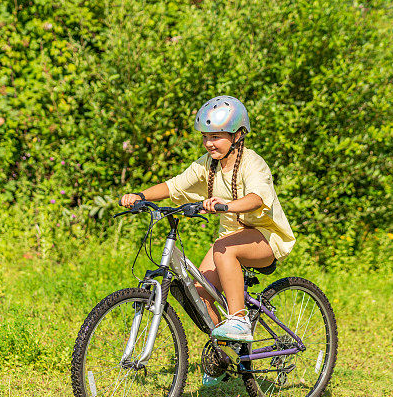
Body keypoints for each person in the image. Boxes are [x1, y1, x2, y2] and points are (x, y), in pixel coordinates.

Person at [120, 95, 295, 344]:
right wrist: (140, 195)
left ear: (237, 136)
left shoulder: (252, 163)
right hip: (230, 240)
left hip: (266, 238)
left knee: (223, 249)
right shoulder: (207, 166)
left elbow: (256, 198)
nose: (209, 143)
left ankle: (239, 319)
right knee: (199, 295)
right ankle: (224, 355)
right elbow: (173, 187)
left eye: (216, 136)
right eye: (205, 137)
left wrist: (227, 206)